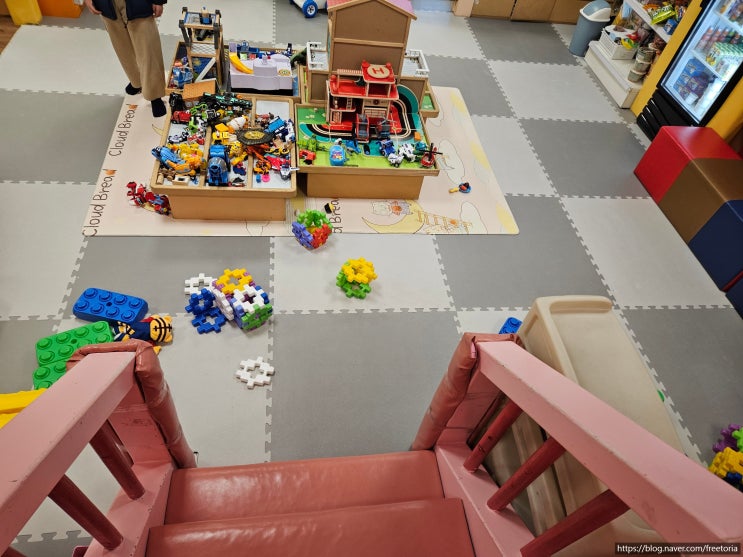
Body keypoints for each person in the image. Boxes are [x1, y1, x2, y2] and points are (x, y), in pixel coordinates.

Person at [84, 0, 167, 118]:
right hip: (106, 4)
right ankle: (136, 81)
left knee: (148, 47)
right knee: (122, 47)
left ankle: (154, 95)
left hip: (139, 3)